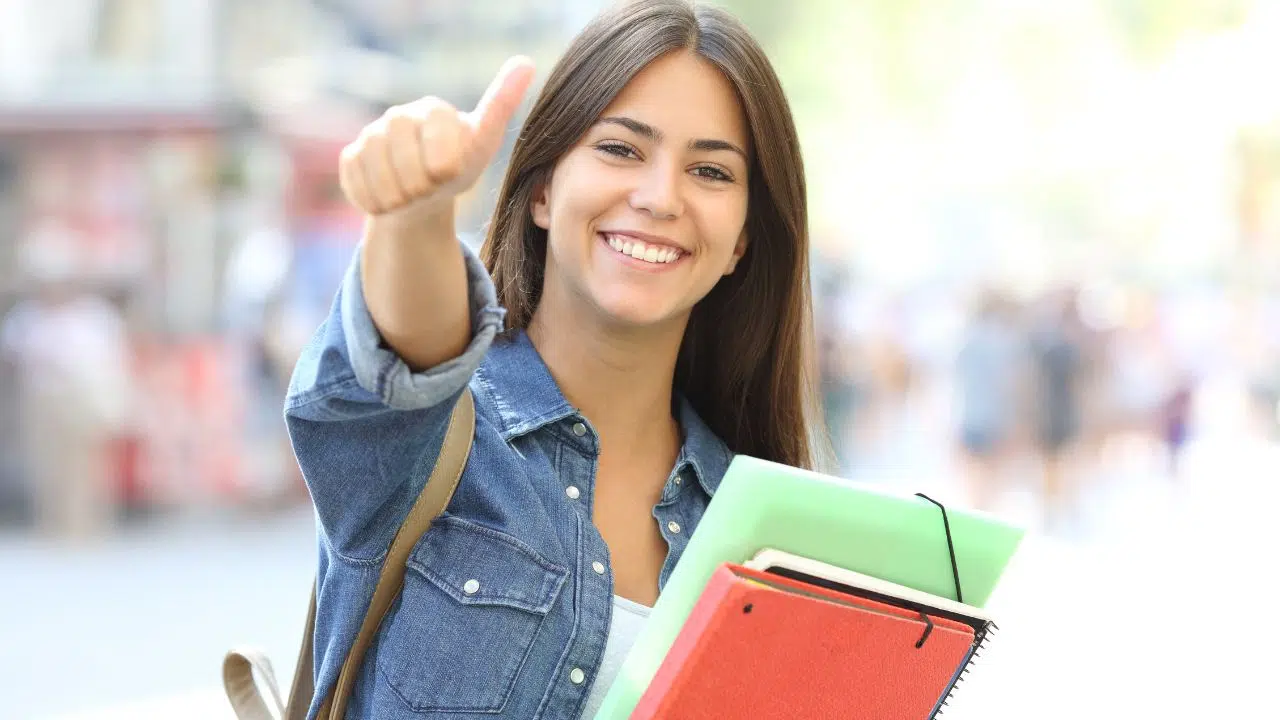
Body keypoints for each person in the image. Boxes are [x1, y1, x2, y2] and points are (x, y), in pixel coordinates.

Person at [285, 2, 823, 718]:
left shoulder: (761, 529)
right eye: (621, 150)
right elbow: (410, 354)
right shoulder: (433, 441)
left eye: (711, 171)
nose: (660, 197)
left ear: (743, 242)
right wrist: (415, 215)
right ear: (542, 189)